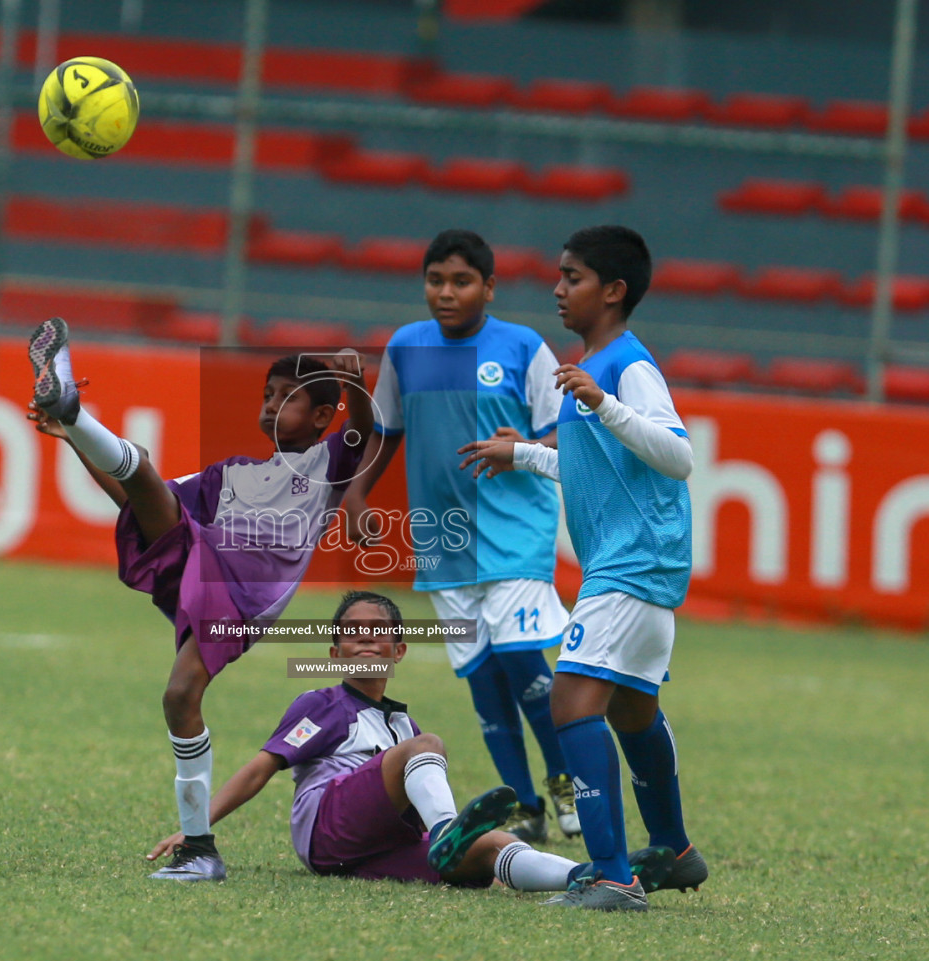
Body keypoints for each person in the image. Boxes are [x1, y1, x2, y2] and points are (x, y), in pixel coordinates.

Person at [25, 317, 372, 882]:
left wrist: (355, 384)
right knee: (144, 477)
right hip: (203, 566)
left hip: (242, 602)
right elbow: (140, 497)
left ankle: (200, 851)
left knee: (181, 694)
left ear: (319, 418)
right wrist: (79, 448)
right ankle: (73, 415)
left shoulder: (327, 465)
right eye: (267, 395)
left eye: (288, 398)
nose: (270, 405)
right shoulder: (229, 474)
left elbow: (366, 431)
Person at [459, 225, 707, 912]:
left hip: (631, 566)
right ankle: (673, 851)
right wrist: (526, 455)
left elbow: (679, 457)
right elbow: (588, 467)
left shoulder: (626, 366)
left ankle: (611, 876)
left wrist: (603, 402)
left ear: (614, 290)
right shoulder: (589, 367)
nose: (560, 288)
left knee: (571, 702)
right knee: (632, 709)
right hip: (638, 567)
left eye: (573, 277)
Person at [341, 228, 577, 845]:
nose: (445, 293)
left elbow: (565, 434)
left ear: (489, 288)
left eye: (461, 281)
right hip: (443, 540)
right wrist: (358, 491)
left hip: (515, 534)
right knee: (481, 679)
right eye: (436, 281)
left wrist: (520, 450)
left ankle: (562, 776)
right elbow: (385, 429)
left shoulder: (525, 348)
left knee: (519, 658)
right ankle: (525, 805)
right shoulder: (405, 347)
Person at [149, 591, 585, 892]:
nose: (365, 637)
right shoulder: (322, 704)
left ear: (399, 650)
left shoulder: (403, 727)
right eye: (351, 631)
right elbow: (260, 768)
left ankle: (591, 877)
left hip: (373, 851)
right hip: (328, 833)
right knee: (426, 748)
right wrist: (196, 828)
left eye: (379, 630)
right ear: (335, 653)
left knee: (493, 847)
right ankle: (448, 834)